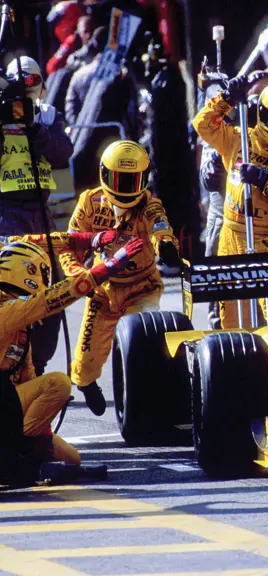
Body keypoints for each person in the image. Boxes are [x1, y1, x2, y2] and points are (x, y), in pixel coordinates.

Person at [0, 233, 143, 484]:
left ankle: (23, 452)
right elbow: (48, 300)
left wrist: (43, 426)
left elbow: (28, 376)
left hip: (7, 409)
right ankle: (18, 453)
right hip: (5, 412)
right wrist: (103, 270)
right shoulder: (7, 311)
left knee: (71, 459)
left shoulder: (20, 324)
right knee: (59, 383)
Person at [61, 141, 179, 416]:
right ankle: (86, 384)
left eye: (132, 180)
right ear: (104, 175)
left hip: (142, 288)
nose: (126, 187)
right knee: (84, 363)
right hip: (102, 288)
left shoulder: (150, 204)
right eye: (119, 179)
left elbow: (160, 227)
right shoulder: (90, 202)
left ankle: (144, 398)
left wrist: (166, 246)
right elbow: (70, 244)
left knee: (142, 344)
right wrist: (80, 276)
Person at [193, 79, 268, 328]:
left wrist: (266, 181)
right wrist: (225, 98)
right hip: (230, 237)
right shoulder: (240, 140)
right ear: (262, 114)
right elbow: (203, 125)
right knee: (233, 320)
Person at [0, 56, 73, 377]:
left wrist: (35, 129)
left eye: (34, 81)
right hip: (6, 213)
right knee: (14, 293)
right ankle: (10, 368)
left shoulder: (47, 114)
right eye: (21, 81)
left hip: (41, 215)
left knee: (53, 293)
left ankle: (39, 365)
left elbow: (63, 152)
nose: (28, 87)